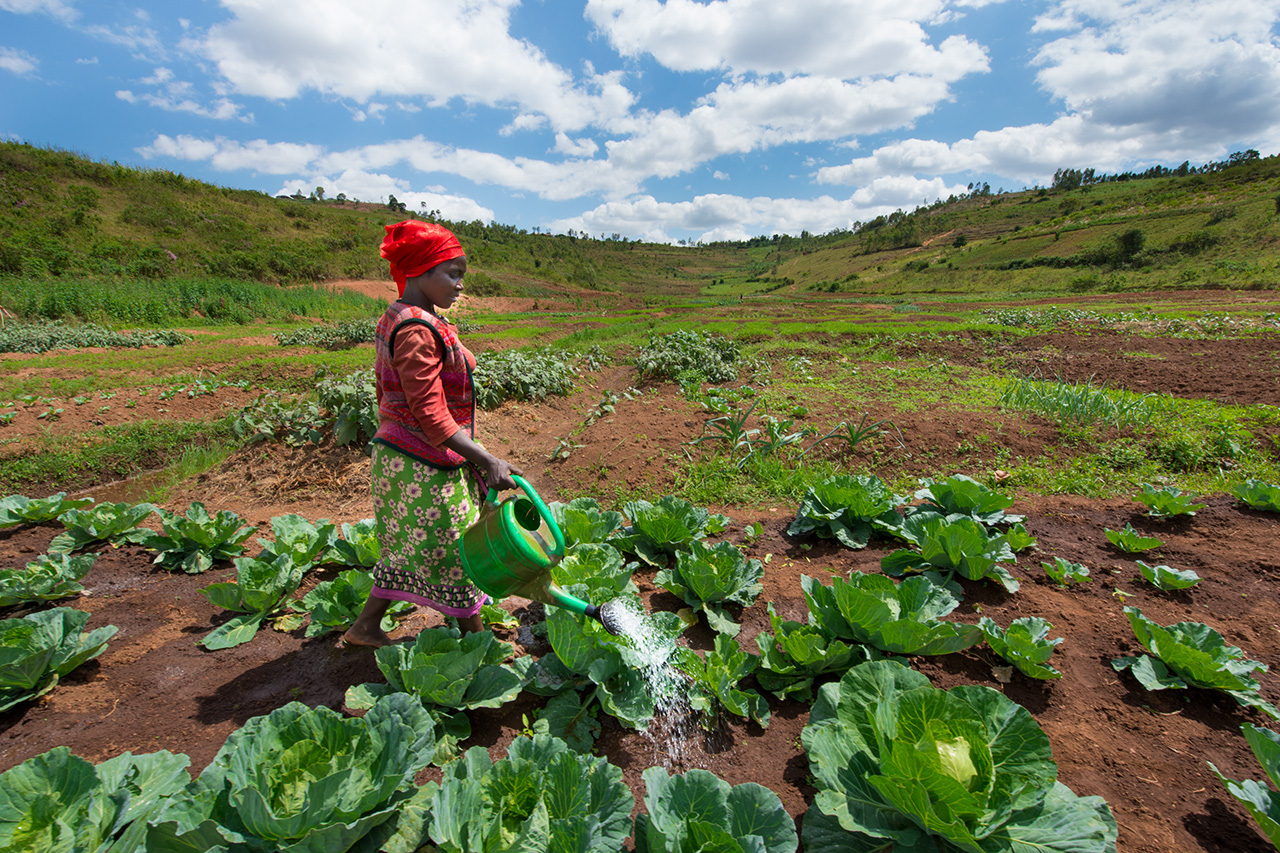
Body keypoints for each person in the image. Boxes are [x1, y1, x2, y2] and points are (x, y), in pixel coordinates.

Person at [343, 220, 522, 647]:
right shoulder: (417, 330)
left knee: (407, 550)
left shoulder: (409, 317)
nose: (461, 285)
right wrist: (487, 459)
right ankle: (477, 643)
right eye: (453, 274)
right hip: (420, 467)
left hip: (404, 460)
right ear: (421, 272)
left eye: (462, 275)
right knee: (459, 550)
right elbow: (431, 415)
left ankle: (365, 628)